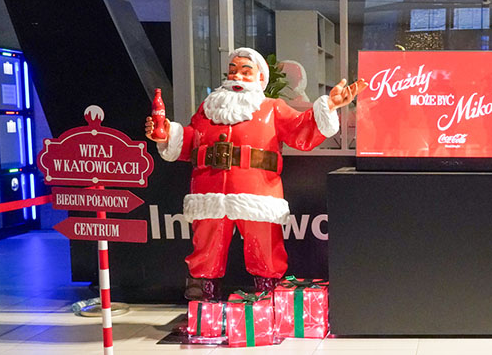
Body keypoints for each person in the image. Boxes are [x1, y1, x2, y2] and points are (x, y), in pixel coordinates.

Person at [146, 47, 364, 300]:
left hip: (257, 192)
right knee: (205, 246)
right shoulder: (208, 108)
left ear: (261, 78)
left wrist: (329, 105)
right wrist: (167, 133)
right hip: (209, 190)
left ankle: (267, 298)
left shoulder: (272, 108)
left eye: (246, 71)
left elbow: (301, 130)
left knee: (264, 247)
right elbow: (191, 140)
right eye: (233, 70)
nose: (237, 76)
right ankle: (204, 302)